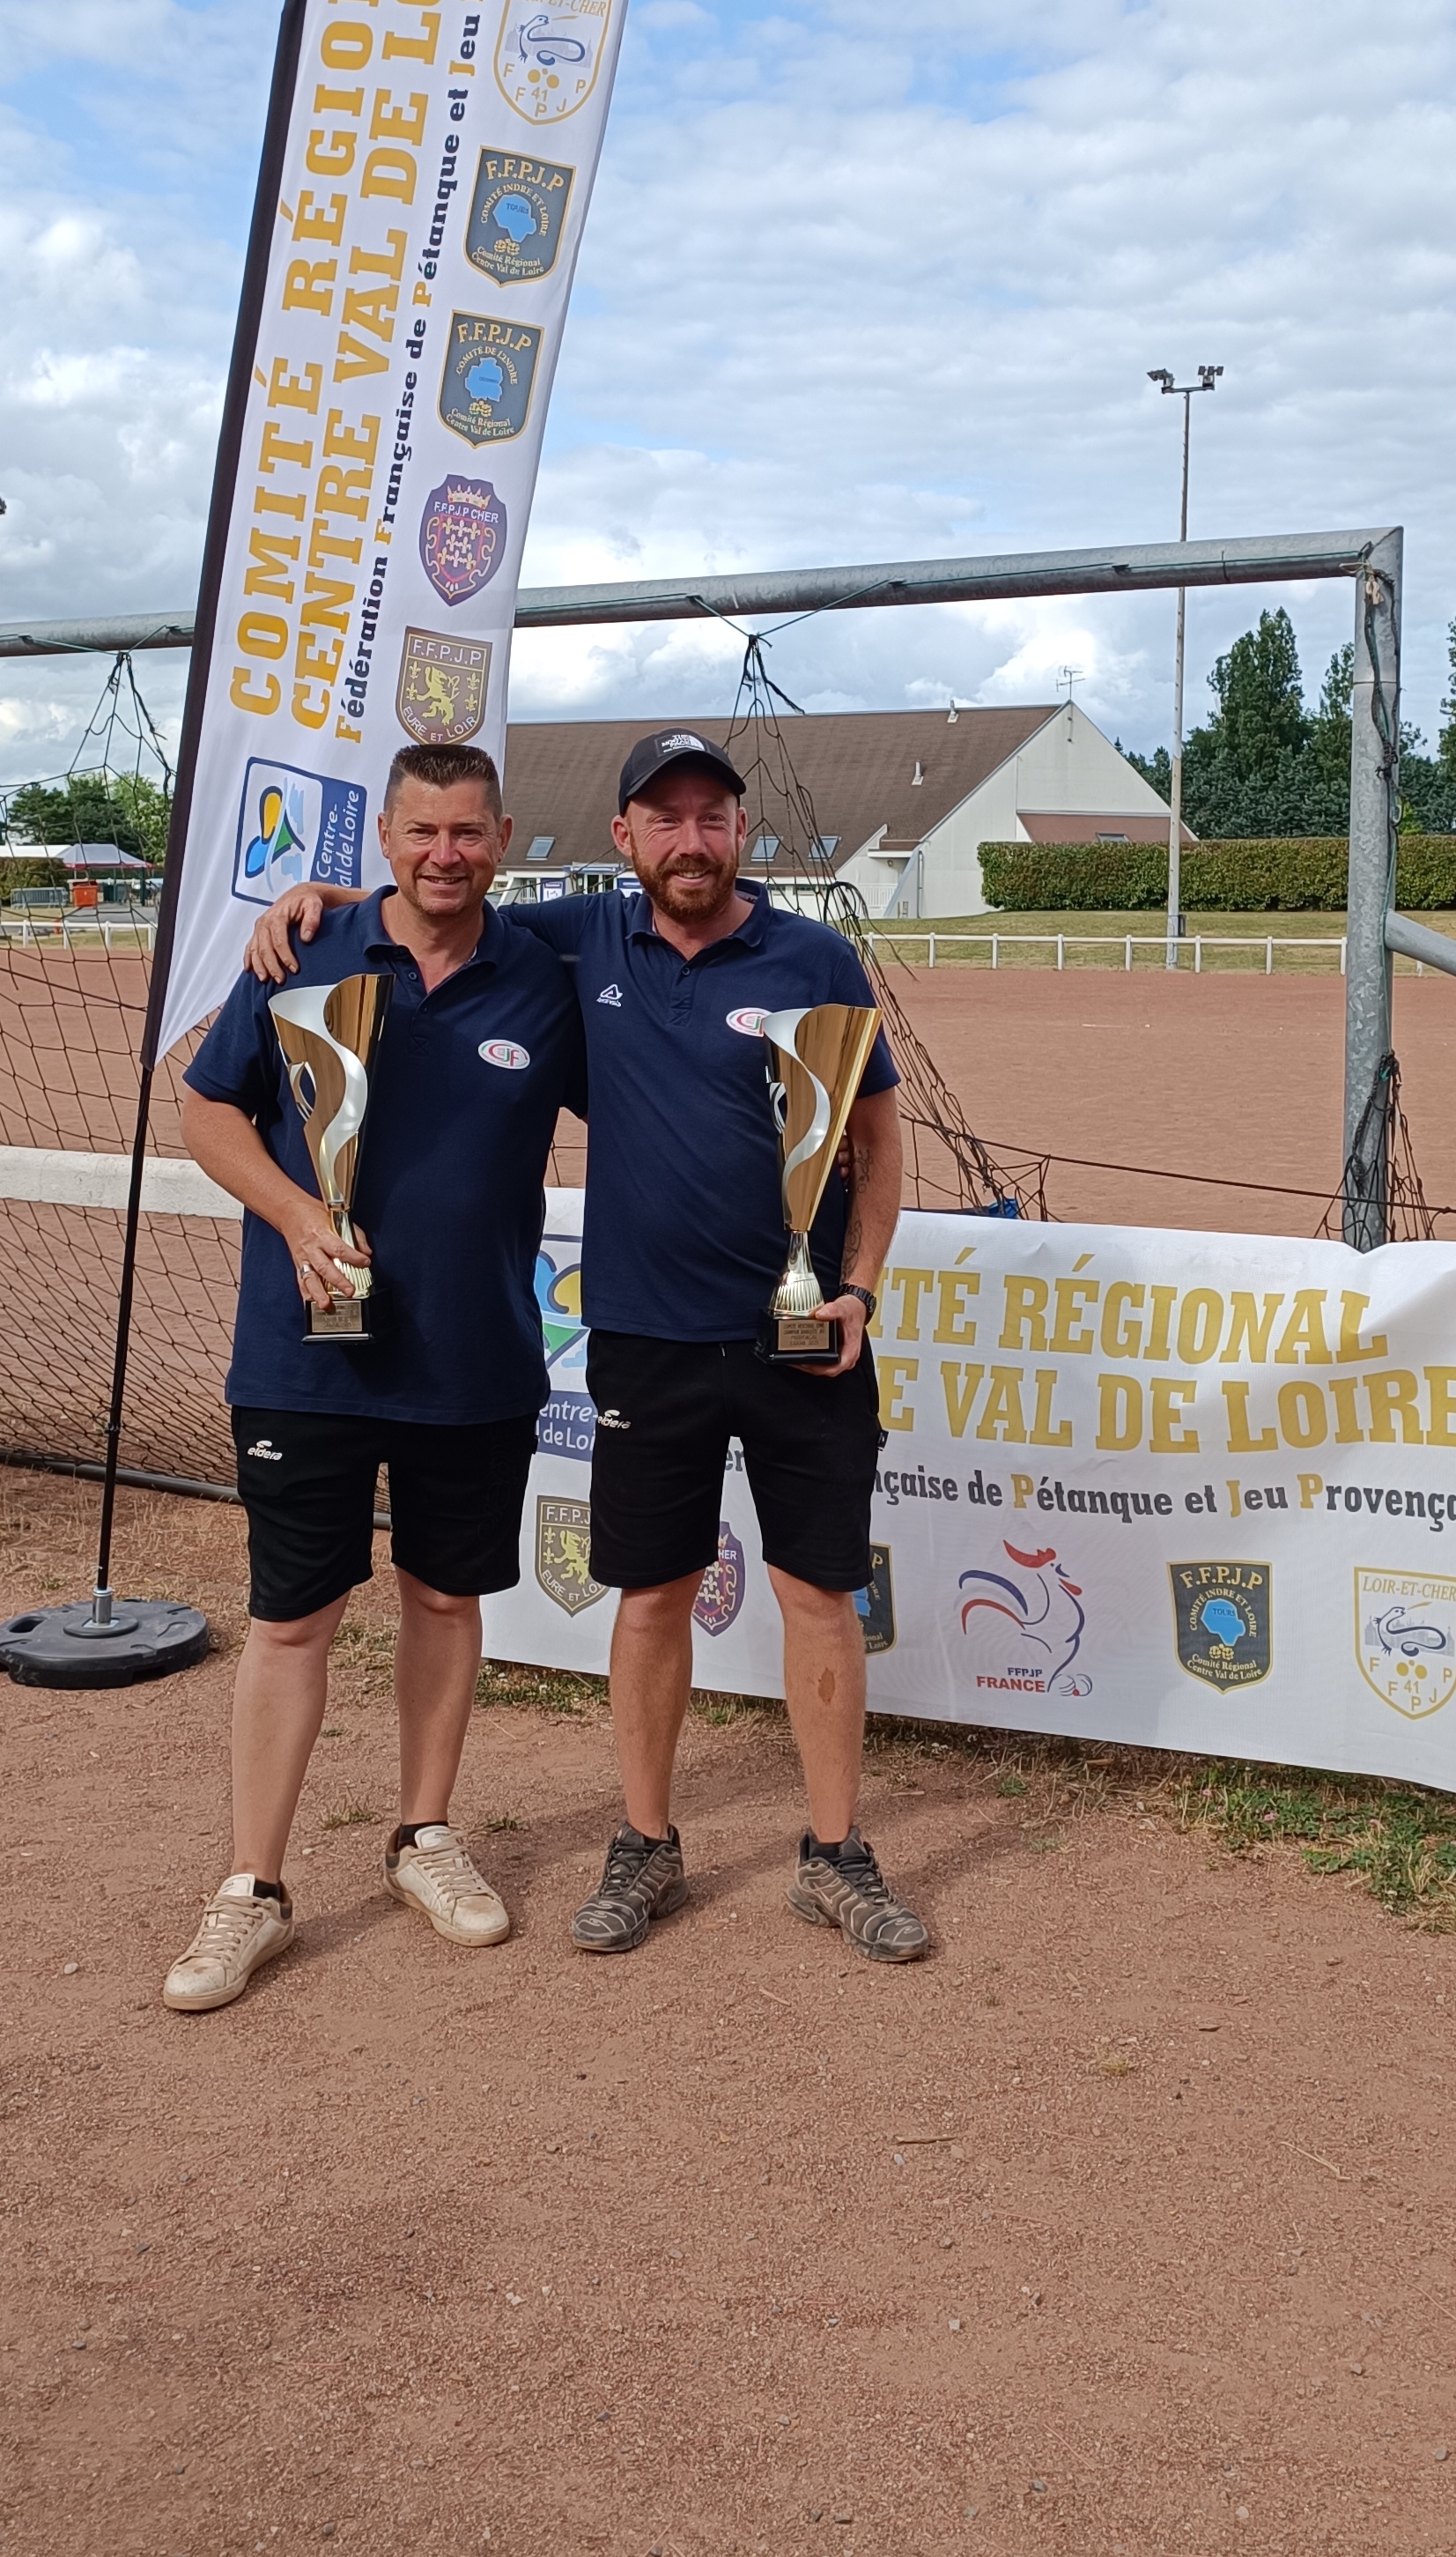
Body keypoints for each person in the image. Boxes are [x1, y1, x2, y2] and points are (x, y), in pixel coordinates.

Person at [248, 728, 928, 1965]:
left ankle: (834, 1855)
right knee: (652, 1595)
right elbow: (440, 897)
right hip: (643, 1336)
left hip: (802, 1334)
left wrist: (861, 1286)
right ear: (623, 839)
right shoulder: (583, 938)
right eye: (661, 818)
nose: (689, 839)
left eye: (710, 816)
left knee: (817, 1595)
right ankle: (646, 1845)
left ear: (740, 833)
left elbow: (877, 1142)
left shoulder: (818, 957)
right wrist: (333, 896)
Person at [163, 742, 584, 2013]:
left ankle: (424, 1836)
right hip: (305, 1363)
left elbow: (664, 906)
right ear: (384, 840)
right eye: (421, 833)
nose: (443, 855)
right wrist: (299, 1219)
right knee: (293, 1617)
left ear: (503, 838)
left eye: (467, 832)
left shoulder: (548, 978)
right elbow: (205, 1109)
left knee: (446, 1603)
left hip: (475, 1358)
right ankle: (251, 1889)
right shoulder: (302, 956)